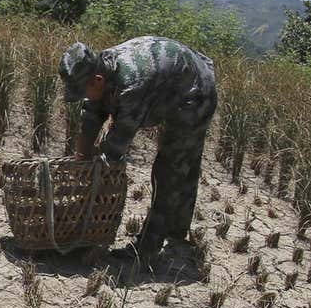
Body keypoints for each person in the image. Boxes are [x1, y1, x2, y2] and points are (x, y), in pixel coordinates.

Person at [58, 36, 218, 266]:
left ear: (98, 81)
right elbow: (91, 116)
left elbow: (114, 149)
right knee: (184, 163)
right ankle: (176, 231)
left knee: (169, 169)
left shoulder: (131, 84)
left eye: (83, 91)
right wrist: (81, 160)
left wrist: (88, 191)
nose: (82, 96)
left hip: (195, 95)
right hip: (178, 79)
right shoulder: (99, 70)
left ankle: (147, 249)